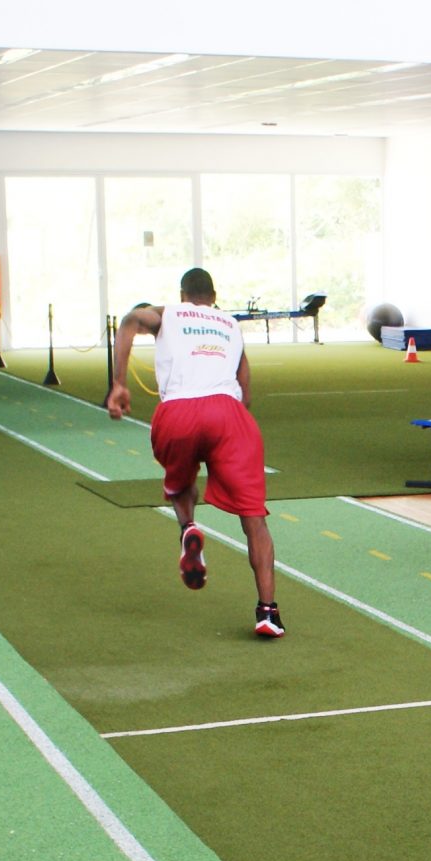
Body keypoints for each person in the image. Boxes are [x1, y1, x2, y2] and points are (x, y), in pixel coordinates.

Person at [106, 268, 283, 639]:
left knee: (180, 482)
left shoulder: (169, 313)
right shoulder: (230, 324)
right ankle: (268, 612)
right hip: (229, 415)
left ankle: (188, 528)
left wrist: (119, 383)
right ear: (214, 296)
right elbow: (245, 388)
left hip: (179, 412)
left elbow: (129, 321)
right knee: (255, 519)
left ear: (183, 293)